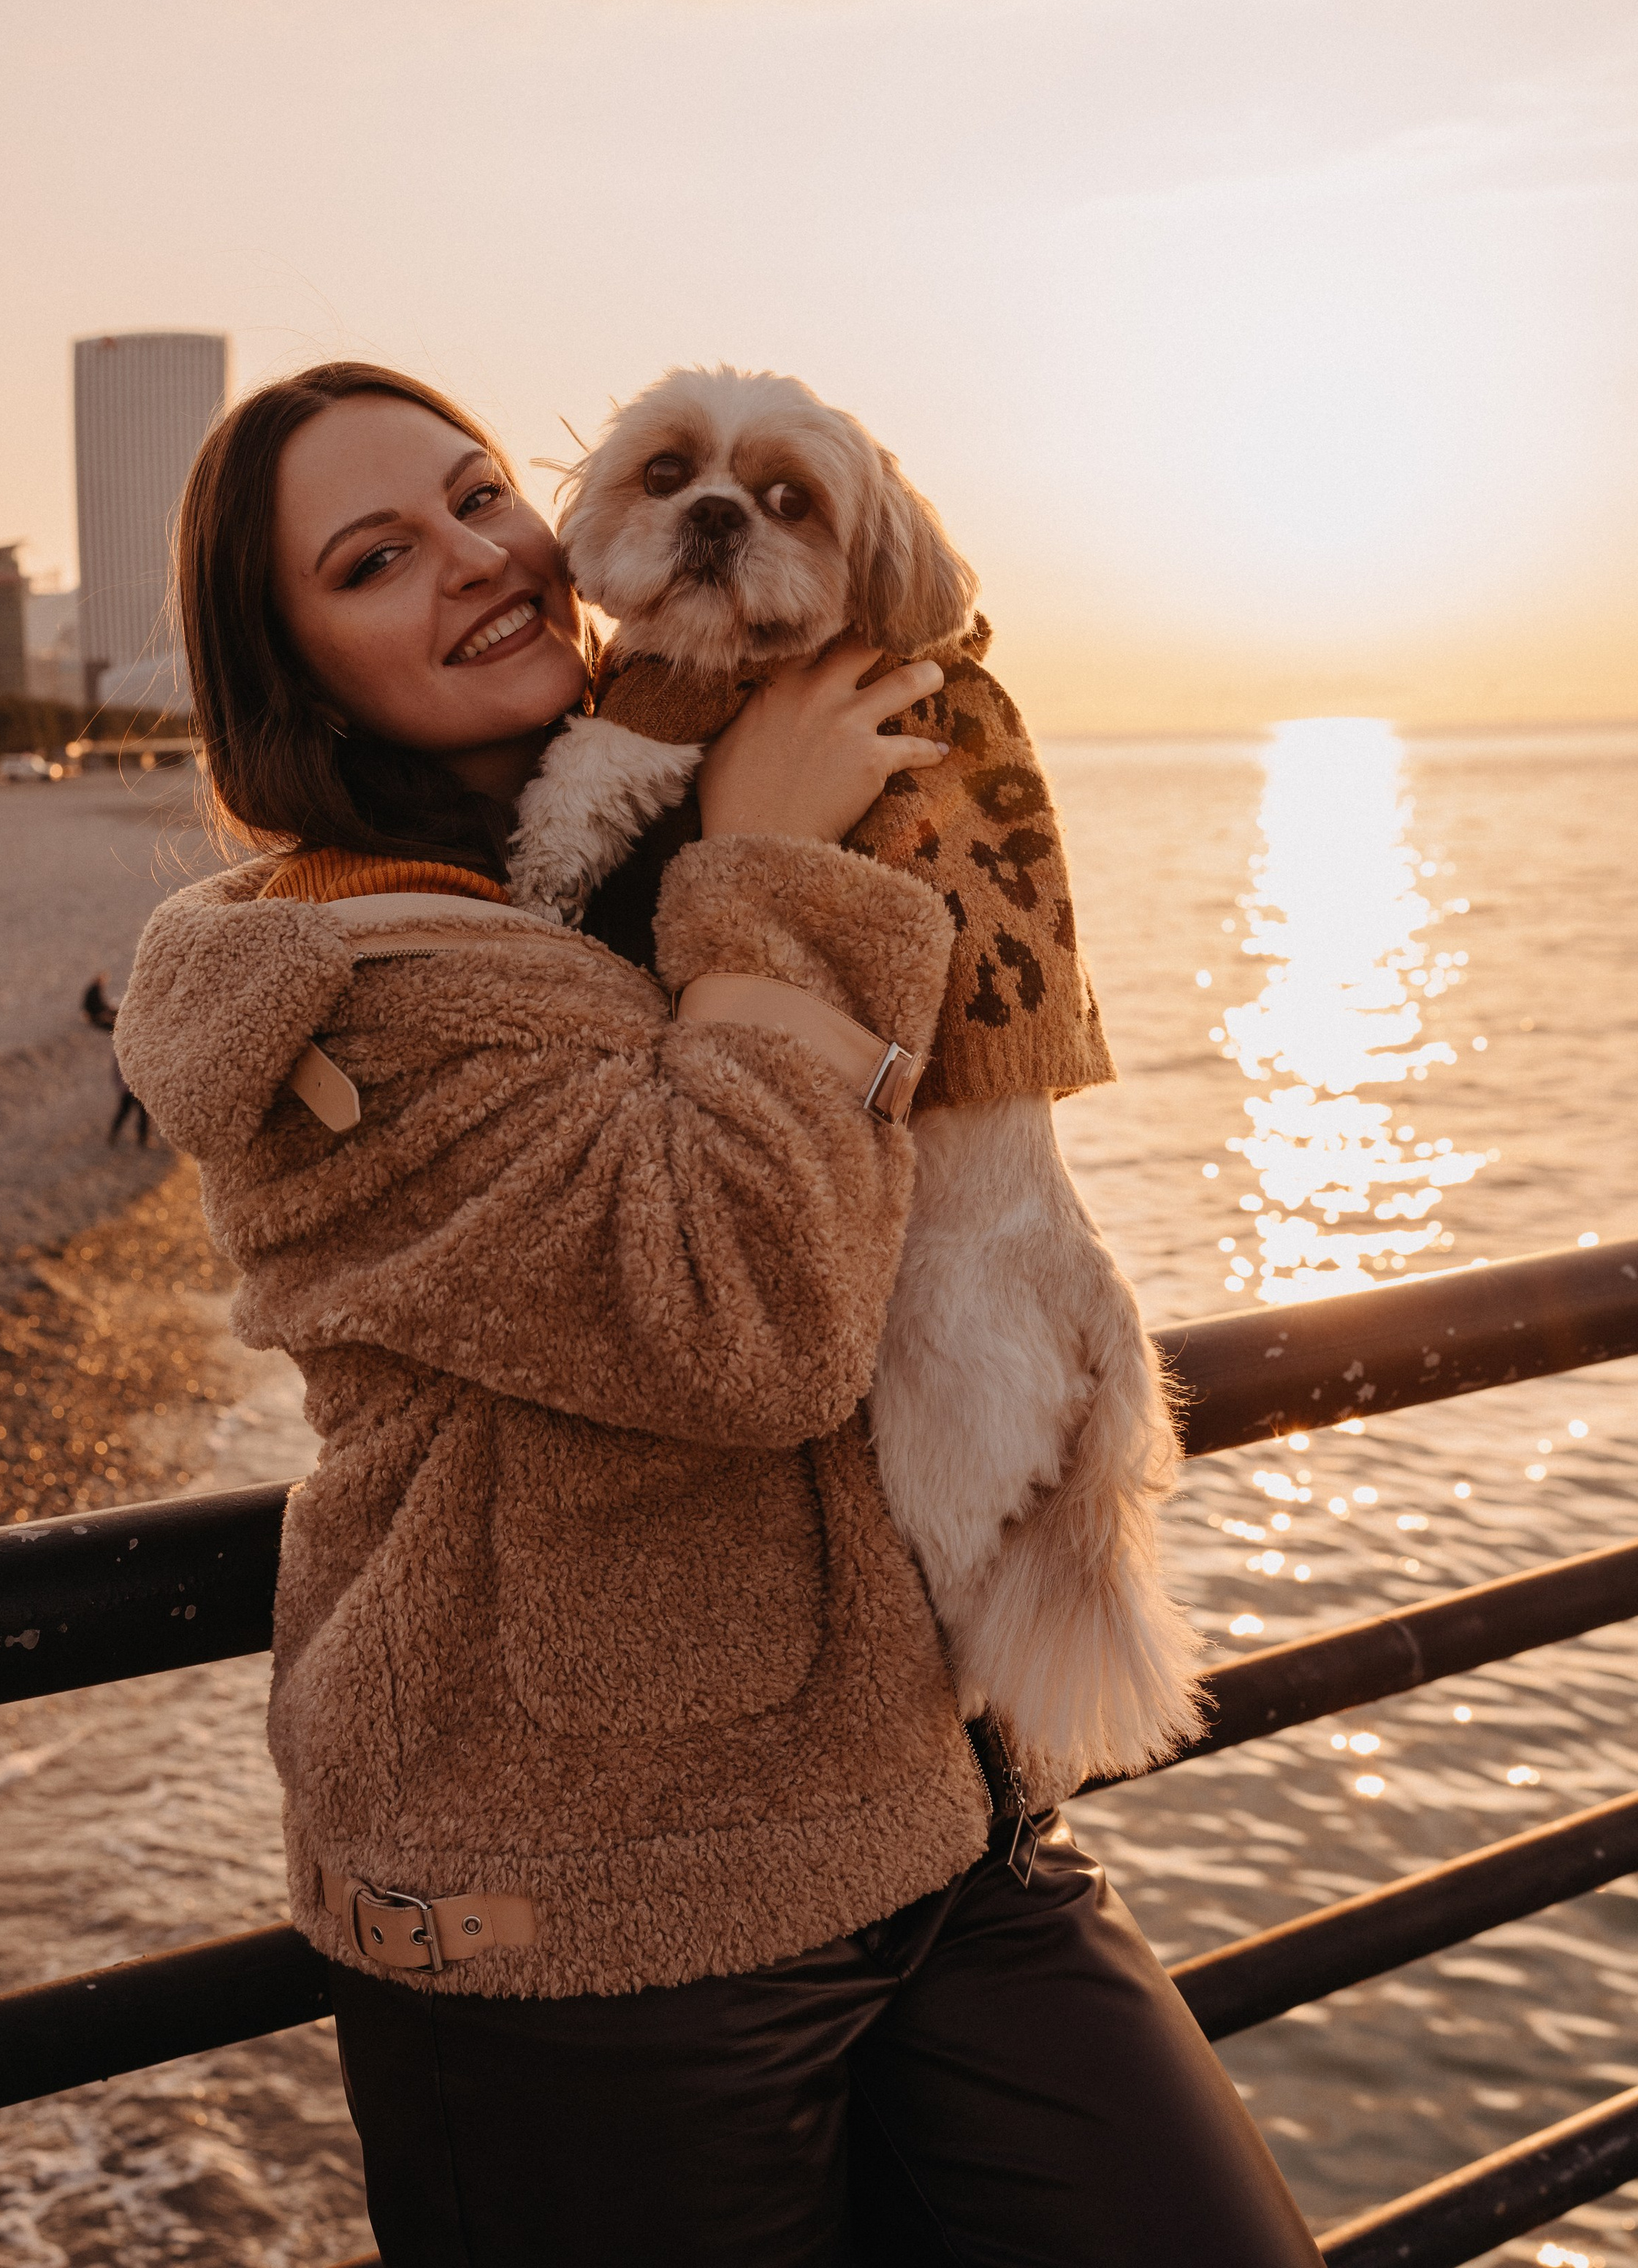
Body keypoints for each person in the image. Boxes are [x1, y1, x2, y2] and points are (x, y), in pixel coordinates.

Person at [114, 361, 1324, 2268]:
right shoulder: (330, 988)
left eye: (476, 496)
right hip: (589, 1923)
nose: (473, 561)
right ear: (295, 672)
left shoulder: (692, 811)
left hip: (925, 1815)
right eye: (373, 560)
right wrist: (766, 856)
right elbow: (747, 1327)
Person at [83, 971, 149, 1147]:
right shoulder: (130, 1048)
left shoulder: (123, 1047)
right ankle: (133, 1139)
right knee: (135, 1111)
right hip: (132, 1086)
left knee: (130, 1111)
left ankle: (121, 1138)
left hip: (129, 1086)